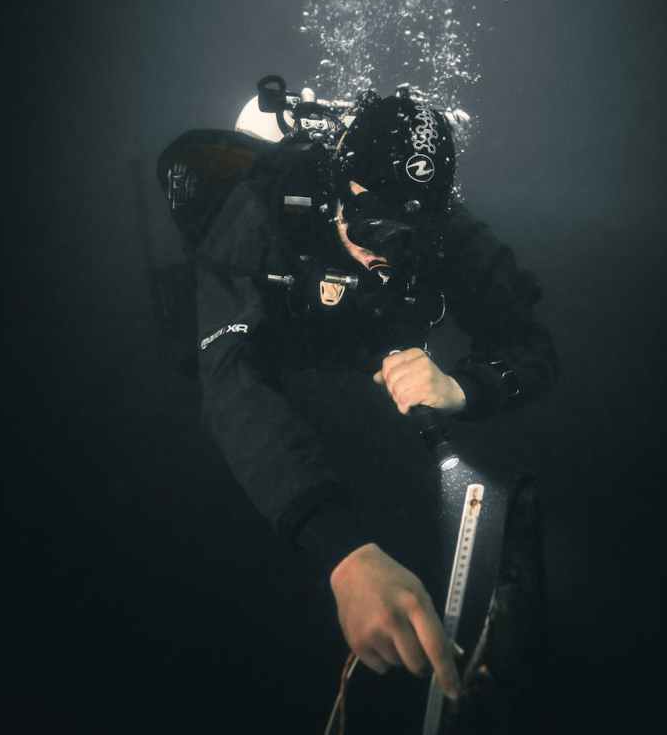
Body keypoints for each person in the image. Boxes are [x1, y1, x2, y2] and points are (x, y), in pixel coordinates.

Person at [193, 90, 558, 722]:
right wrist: (343, 552)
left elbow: (533, 346)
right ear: (337, 191)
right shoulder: (262, 209)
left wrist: (466, 386)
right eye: (370, 231)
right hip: (275, 333)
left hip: (356, 359)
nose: (385, 258)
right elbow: (230, 381)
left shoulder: (452, 234)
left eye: (409, 241)